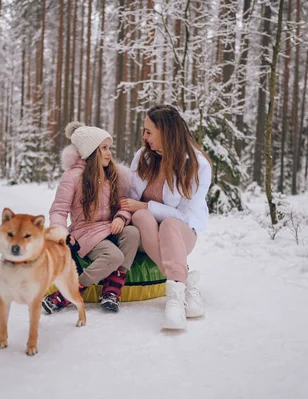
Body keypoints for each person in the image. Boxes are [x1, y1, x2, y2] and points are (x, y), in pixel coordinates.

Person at [120, 105, 212, 330]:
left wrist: (146, 205)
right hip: (146, 234)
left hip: (181, 234)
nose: (144, 137)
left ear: (166, 131)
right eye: (144, 131)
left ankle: (174, 300)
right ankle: (185, 285)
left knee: (169, 223)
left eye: (149, 132)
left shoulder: (197, 165)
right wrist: (137, 209)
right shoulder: (143, 157)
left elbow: (184, 215)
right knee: (141, 216)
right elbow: (130, 200)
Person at [43, 121, 140, 313]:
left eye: (109, 148)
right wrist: (61, 234)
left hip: (109, 227)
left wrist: (121, 217)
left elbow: (124, 202)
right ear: (91, 151)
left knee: (133, 233)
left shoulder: (113, 174)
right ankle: (68, 292)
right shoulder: (72, 177)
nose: (109, 153)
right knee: (114, 256)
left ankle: (112, 288)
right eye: (104, 148)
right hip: (85, 231)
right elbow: (59, 210)